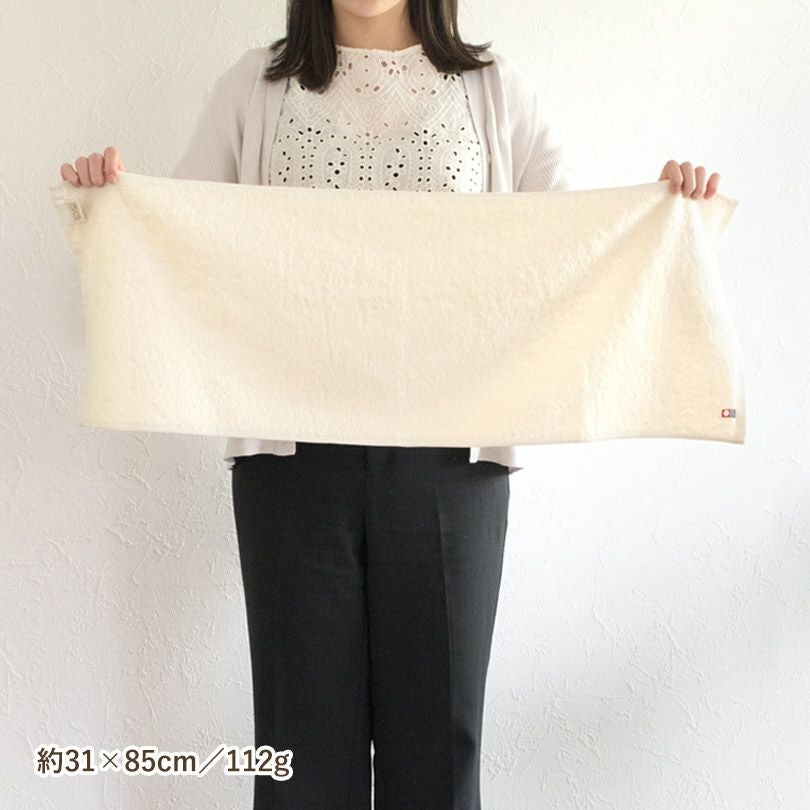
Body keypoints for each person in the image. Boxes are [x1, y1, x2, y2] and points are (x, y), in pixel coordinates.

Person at [58, 1, 723, 808]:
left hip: (453, 468)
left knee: (438, 756)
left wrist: (668, 216)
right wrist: (109, 208)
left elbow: (573, 252)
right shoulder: (254, 86)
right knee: (300, 758)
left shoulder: (494, 90)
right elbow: (181, 246)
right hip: (292, 467)